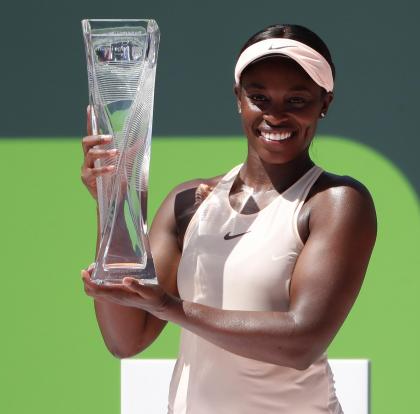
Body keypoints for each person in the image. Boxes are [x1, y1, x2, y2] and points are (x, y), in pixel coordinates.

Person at [79, 23, 377, 414]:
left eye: (297, 100)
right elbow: (126, 339)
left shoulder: (336, 202)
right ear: (238, 98)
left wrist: (169, 306)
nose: (276, 115)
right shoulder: (188, 202)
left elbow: (302, 341)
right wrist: (113, 199)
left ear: (325, 103)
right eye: (259, 97)